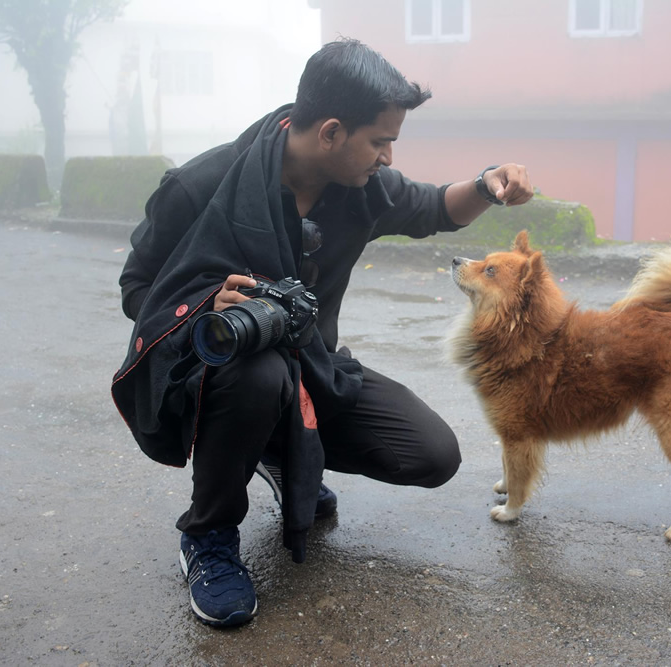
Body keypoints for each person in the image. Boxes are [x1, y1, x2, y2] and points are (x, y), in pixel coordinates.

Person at [111, 38, 534, 627]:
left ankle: (279, 450)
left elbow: (436, 207)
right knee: (255, 376)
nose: (387, 158)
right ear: (332, 132)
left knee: (432, 454)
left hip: (312, 366)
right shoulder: (201, 186)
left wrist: (488, 184)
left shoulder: (360, 188)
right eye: (380, 141)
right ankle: (208, 535)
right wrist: (206, 306)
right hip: (209, 374)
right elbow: (138, 289)